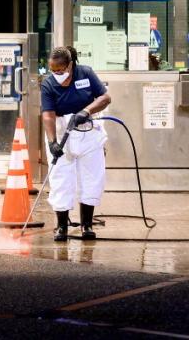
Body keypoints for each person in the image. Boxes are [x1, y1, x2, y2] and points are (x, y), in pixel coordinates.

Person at [41, 45, 112, 242]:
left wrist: (86, 111)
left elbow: (105, 98)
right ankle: (61, 226)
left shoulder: (86, 73)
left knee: (92, 177)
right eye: (53, 70)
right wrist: (52, 142)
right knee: (60, 179)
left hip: (88, 129)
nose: (57, 74)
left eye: (61, 70)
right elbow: (48, 115)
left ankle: (86, 225)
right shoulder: (48, 84)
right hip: (62, 129)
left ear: (70, 65)